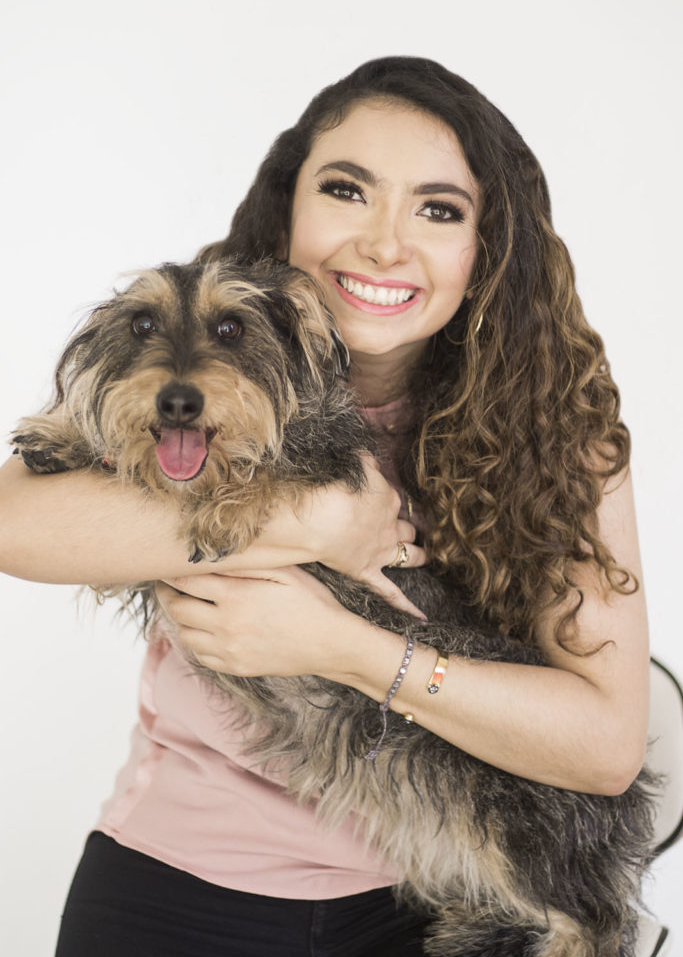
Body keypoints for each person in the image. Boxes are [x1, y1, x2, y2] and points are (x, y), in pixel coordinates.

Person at [0, 57, 650, 956]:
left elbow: (606, 747)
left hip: (440, 905)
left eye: (437, 210)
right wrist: (312, 521)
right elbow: (17, 526)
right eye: (347, 191)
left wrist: (343, 646)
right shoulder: (184, 356)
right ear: (288, 212)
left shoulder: (558, 430)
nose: (384, 244)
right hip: (167, 893)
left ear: (488, 250)